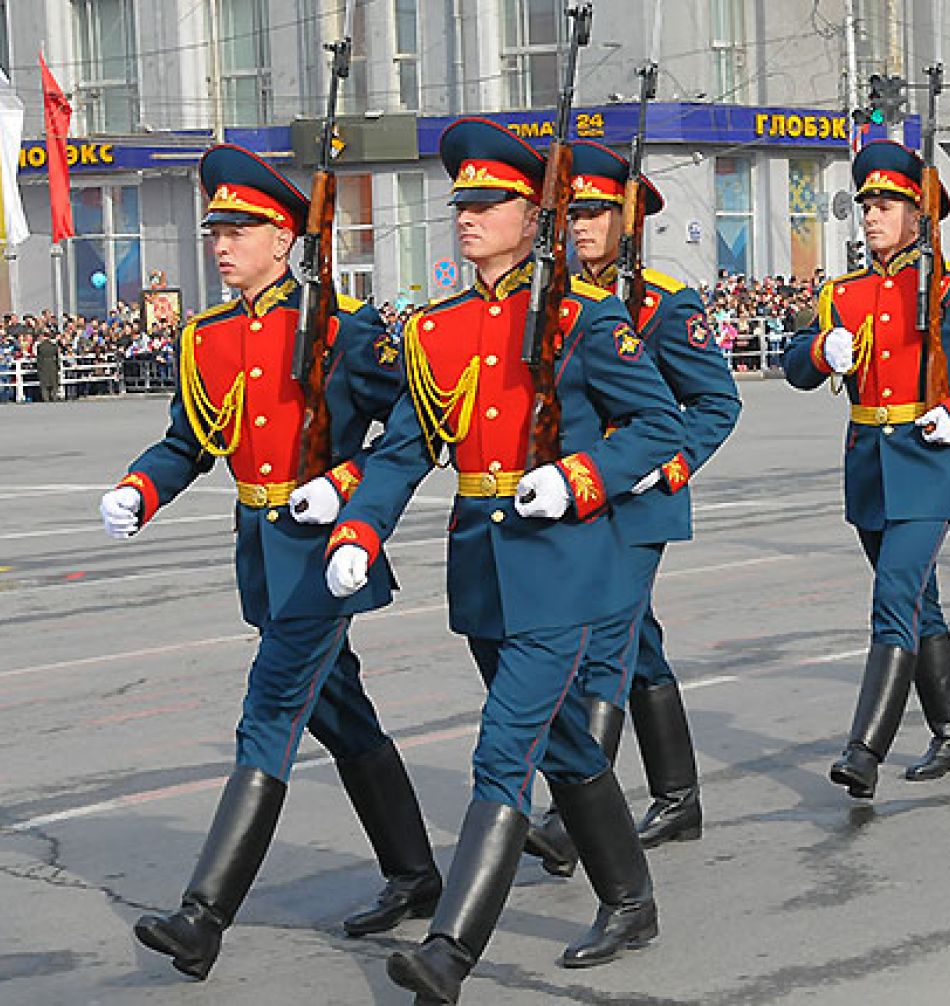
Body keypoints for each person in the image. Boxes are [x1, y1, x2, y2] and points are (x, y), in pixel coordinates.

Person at [323, 118, 683, 1001]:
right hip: (482, 563)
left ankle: (449, 953)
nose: (469, 216)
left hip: (562, 560)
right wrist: (361, 529)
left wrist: (580, 476)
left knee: (505, 746)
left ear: (534, 217)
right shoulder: (434, 328)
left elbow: (660, 426)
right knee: (564, 740)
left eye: (490, 203)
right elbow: (406, 450)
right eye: (463, 204)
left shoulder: (583, 317)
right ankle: (630, 898)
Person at [102, 144, 440, 981]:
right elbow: (189, 441)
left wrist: (344, 486)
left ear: (284, 239)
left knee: (271, 712)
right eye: (216, 231)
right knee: (340, 711)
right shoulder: (207, 335)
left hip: (325, 556)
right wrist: (142, 488)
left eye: (241, 231)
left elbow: (418, 428)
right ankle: (414, 871)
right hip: (262, 554)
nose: (222, 245)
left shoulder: (342, 328)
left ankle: (203, 915)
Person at [783, 140, 950, 798]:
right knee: (921, 604)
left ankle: (865, 749)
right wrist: (821, 349)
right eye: (867, 204)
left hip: (927, 464)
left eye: (887, 205)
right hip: (868, 467)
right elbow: (794, 366)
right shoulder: (843, 293)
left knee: (894, 598)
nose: (871, 215)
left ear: (919, 216)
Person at [523, 139, 742, 877]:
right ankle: (678, 797)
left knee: (604, 647)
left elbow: (716, 402)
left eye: (596, 214)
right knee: (637, 646)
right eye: (573, 214)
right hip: (575, 498)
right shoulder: (553, 301)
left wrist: (668, 465)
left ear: (630, 222)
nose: (582, 226)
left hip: (639, 504)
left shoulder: (663, 305)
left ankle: (571, 819)